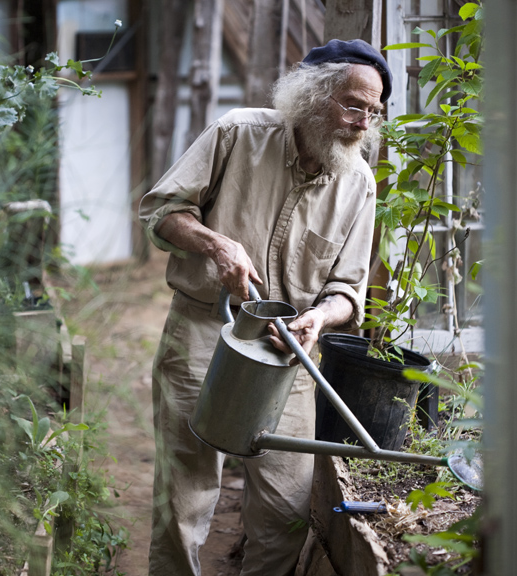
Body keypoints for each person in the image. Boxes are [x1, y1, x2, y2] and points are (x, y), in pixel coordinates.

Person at [138, 38, 392, 576]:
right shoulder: (238, 133)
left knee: (286, 511)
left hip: (291, 353)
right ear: (313, 95)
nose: (363, 123)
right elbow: (160, 210)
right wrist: (216, 244)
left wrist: (319, 319)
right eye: (353, 104)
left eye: (374, 111)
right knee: (184, 500)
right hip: (206, 328)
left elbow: (348, 290)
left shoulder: (360, 184)